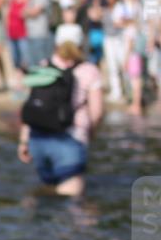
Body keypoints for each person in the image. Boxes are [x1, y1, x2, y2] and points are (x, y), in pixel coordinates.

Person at [18, 41, 103, 197]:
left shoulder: (44, 65)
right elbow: (97, 112)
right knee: (73, 203)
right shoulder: (89, 70)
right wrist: (91, 133)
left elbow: (31, 106)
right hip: (71, 140)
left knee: (47, 197)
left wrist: (24, 141)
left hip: (38, 140)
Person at [23, 0, 53, 67]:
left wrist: (27, 12)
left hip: (40, 34)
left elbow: (34, 12)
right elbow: (22, 13)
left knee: (41, 64)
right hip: (31, 34)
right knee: (33, 64)